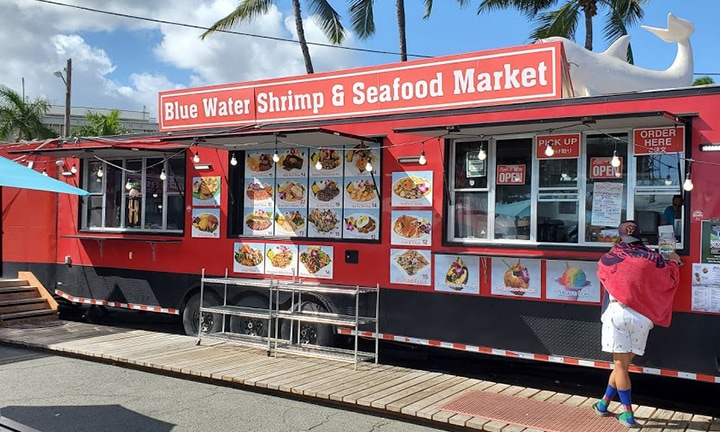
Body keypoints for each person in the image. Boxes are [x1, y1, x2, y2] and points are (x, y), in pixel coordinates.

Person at [593, 220, 681, 428]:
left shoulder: (611, 257)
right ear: (639, 236)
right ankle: (603, 404)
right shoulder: (653, 257)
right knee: (622, 365)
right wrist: (675, 261)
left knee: (620, 365)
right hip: (643, 319)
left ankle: (628, 415)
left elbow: (602, 271)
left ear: (620, 237)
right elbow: (669, 278)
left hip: (618, 313)